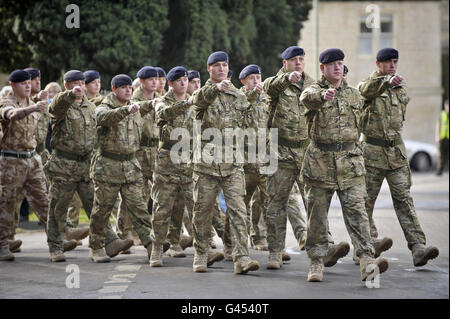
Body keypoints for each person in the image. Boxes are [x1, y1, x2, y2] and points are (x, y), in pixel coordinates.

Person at [300, 48, 392, 282]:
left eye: (340, 63)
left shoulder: (353, 94)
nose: (338, 67)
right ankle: (316, 262)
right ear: (323, 68)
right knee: (317, 217)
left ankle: (367, 260)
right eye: (332, 65)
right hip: (321, 163)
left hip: (350, 164)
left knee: (358, 214)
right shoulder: (314, 91)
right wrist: (323, 97)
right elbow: (306, 98)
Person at [358, 48, 439, 267]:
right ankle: (366, 246)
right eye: (388, 62)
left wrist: (394, 84)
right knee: (364, 204)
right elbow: (365, 92)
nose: (392, 65)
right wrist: (386, 82)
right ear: (378, 64)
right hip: (372, 155)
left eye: (395, 61)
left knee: (404, 201)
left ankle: (418, 247)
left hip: (396, 155)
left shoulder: (400, 87)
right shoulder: (368, 85)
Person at [191, 51, 259, 274]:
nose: (221, 69)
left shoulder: (236, 94)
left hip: (232, 163)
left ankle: (242, 257)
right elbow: (197, 103)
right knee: (202, 211)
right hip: (207, 165)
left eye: (224, 65)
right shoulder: (202, 93)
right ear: (209, 68)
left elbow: (247, 117)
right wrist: (214, 89)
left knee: (239, 210)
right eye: (217, 65)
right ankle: (201, 254)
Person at [150, 66, 224, 266]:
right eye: (179, 80)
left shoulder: (196, 101)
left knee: (199, 208)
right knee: (162, 208)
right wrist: (186, 104)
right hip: (168, 161)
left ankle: (203, 249)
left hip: (191, 161)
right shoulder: (162, 102)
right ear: (171, 84)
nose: (184, 83)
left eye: (185, 79)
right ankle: (157, 248)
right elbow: (164, 114)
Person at [88, 74, 156, 263]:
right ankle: (96, 247)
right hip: (108, 167)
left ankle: (151, 245)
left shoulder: (134, 105)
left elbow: (141, 108)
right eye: (123, 87)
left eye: (129, 87)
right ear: (114, 89)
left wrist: (151, 104)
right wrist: (126, 110)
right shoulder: (104, 106)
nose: (128, 89)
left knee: (139, 207)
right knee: (102, 209)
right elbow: (103, 118)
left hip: (130, 166)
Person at [262, 46, 315, 269]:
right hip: (280, 152)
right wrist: (286, 80)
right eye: (293, 60)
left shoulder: (313, 85)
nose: (298, 63)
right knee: (277, 203)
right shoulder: (274, 83)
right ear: (284, 63)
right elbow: (270, 90)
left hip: (306, 152)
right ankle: (275, 252)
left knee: (315, 202)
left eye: (301, 59)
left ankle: (319, 250)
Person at [0, 69, 49, 261]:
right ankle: (3, 245)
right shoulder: (6, 102)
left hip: (32, 160)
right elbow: (11, 115)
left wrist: (35, 104)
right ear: (13, 85)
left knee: (44, 202)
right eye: (23, 83)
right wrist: (33, 108)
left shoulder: (32, 102)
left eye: (29, 83)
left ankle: (56, 242)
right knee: (7, 205)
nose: (28, 86)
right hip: (11, 161)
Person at [238, 64, 270, 250]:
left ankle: (261, 238)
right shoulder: (239, 98)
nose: (256, 81)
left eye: (258, 77)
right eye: (251, 78)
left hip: (265, 155)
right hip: (244, 156)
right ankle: (237, 240)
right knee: (242, 201)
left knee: (267, 199)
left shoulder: (266, 98)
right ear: (244, 81)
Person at [436, 100, 449, 175]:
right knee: (441, 154)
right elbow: (438, 126)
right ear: (445, 106)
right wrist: (437, 136)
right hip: (443, 137)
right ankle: (439, 170)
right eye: (447, 106)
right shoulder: (442, 114)